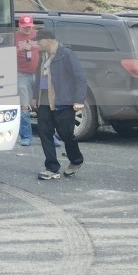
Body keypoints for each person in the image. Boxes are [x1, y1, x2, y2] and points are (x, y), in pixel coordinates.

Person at [33, 27, 87, 180]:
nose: (37, 43)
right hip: (45, 102)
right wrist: (34, 96)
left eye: (39, 40)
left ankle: (76, 160)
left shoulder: (66, 54)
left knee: (66, 135)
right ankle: (51, 168)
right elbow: (39, 77)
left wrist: (79, 100)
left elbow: (80, 77)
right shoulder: (42, 55)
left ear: (49, 39)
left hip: (63, 102)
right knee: (44, 133)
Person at [15, 14, 38, 146]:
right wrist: (20, 49)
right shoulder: (14, 37)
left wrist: (33, 47)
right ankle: (26, 136)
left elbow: (47, 47)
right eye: (25, 27)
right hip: (22, 74)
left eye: (29, 26)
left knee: (43, 105)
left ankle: (50, 136)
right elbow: (7, 54)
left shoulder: (37, 34)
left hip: (38, 73)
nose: (27, 29)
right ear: (19, 25)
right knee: (24, 105)